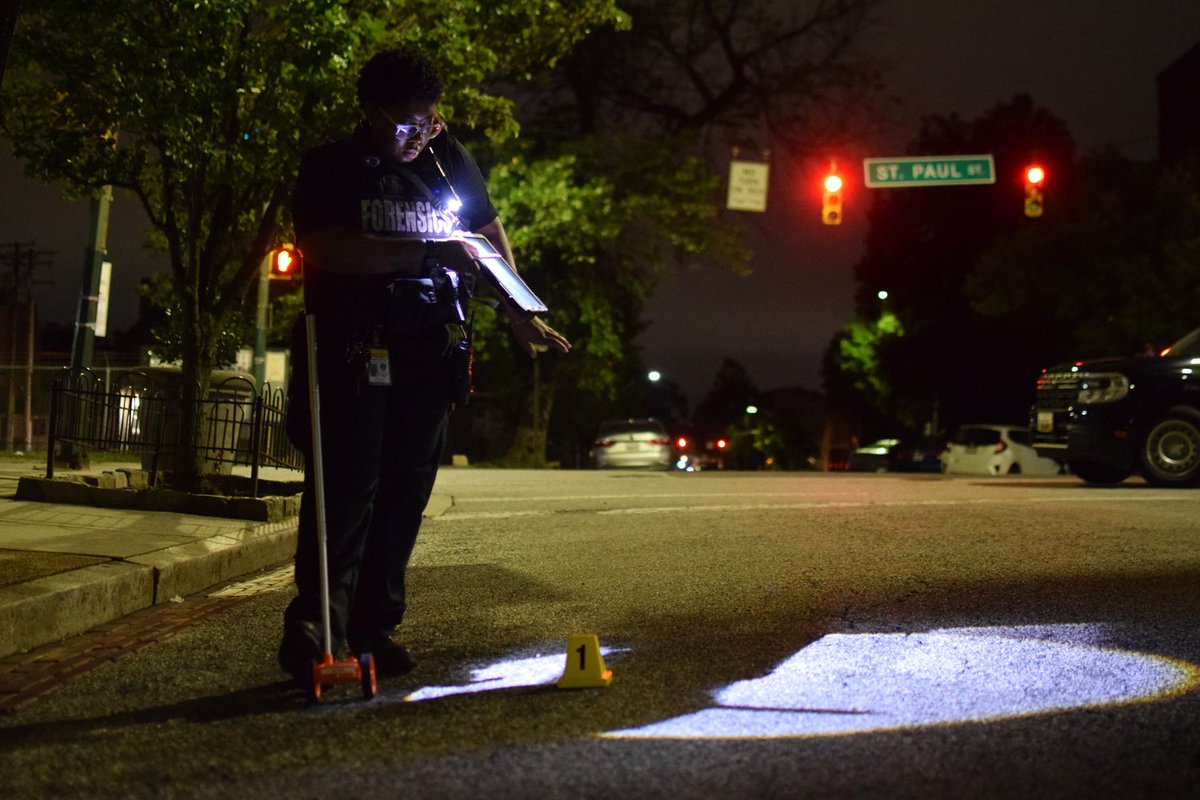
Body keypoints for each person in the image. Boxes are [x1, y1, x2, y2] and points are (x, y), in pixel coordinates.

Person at [278, 48, 571, 683]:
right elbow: (329, 250)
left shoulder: (448, 158)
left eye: (429, 122)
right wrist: (425, 249)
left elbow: (486, 233)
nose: (419, 135)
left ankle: (373, 629)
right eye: (407, 124)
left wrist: (518, 307)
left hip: (429, 347)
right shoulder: (330, 167)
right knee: (347, 487)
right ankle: (315, 632)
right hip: (355, 348)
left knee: (407, 490)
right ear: (371, 112)